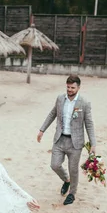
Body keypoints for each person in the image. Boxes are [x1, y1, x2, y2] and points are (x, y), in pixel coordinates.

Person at [37, 75, 96, 205]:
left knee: (73, 169)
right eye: (68, 87)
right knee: (55, 165)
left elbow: (89, 124)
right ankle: (66, 180)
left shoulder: (84, 103)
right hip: (59, 139)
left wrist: (93, 144)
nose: (69, 90)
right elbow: (52, 114)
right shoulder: (60, 99)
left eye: (72, 87)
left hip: (75, 143)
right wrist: (42, 130)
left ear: (78, 87)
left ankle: (72, 193)